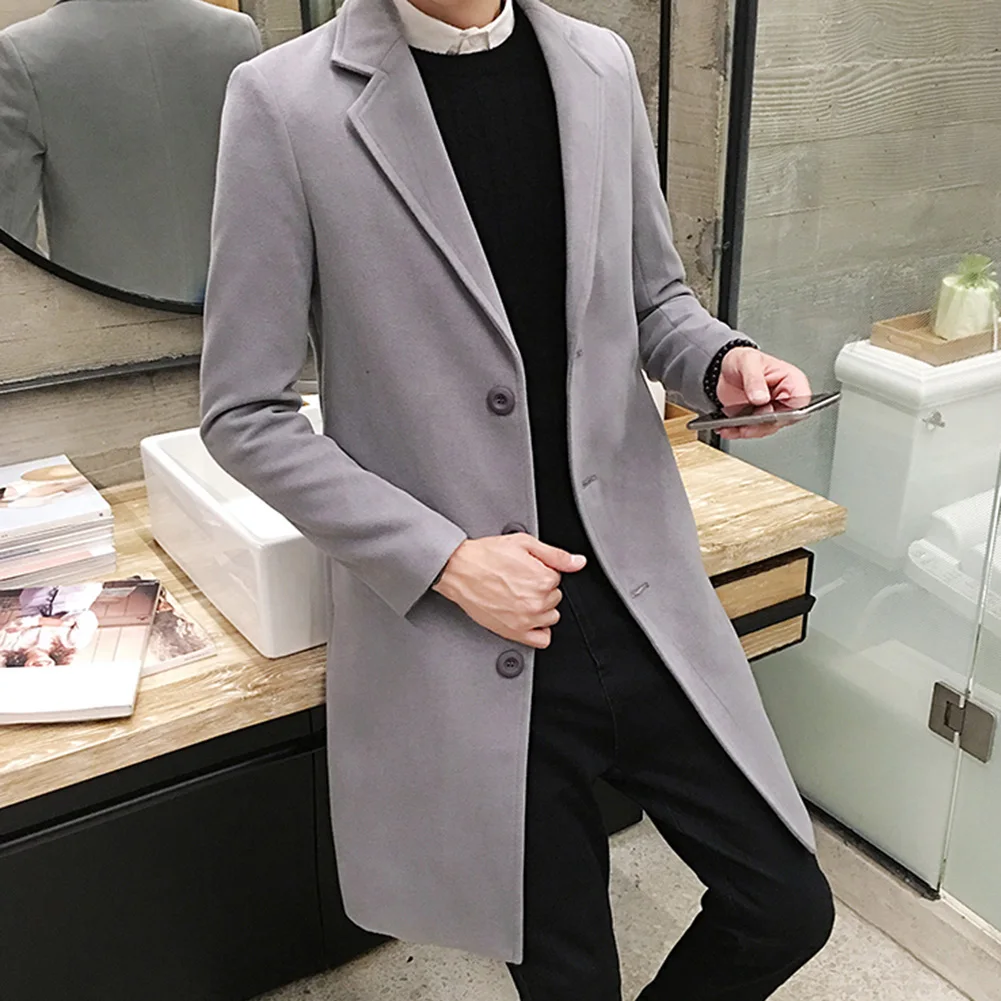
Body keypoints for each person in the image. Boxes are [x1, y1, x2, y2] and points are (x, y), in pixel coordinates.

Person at [199, 0, 836, 997]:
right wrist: (444, 559)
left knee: (784, 902)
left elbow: (653, 300)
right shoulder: (283, 101)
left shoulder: (597, 66)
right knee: (567, 978)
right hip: (473, 628)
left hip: (636, 591)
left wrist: (721, 362)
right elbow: (244, 413)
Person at [0, 582, 102, 667]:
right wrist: (35, 622)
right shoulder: (73, 644)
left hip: (37, 589)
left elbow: (16, 623)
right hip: (79, 588)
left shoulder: (8, 646)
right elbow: (86, 617)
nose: (43, 667)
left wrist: (60, 623)